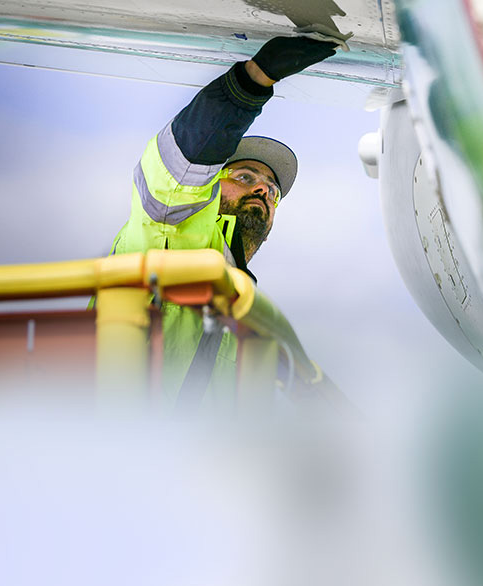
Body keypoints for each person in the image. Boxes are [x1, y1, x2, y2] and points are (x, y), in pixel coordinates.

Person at [110, 36, 341, 409]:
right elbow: (181, 164)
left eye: (272, 191)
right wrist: (250, 83)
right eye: (245, 178)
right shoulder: (172, 230)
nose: (263, 192)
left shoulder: (252, 316)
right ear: (210, 184)